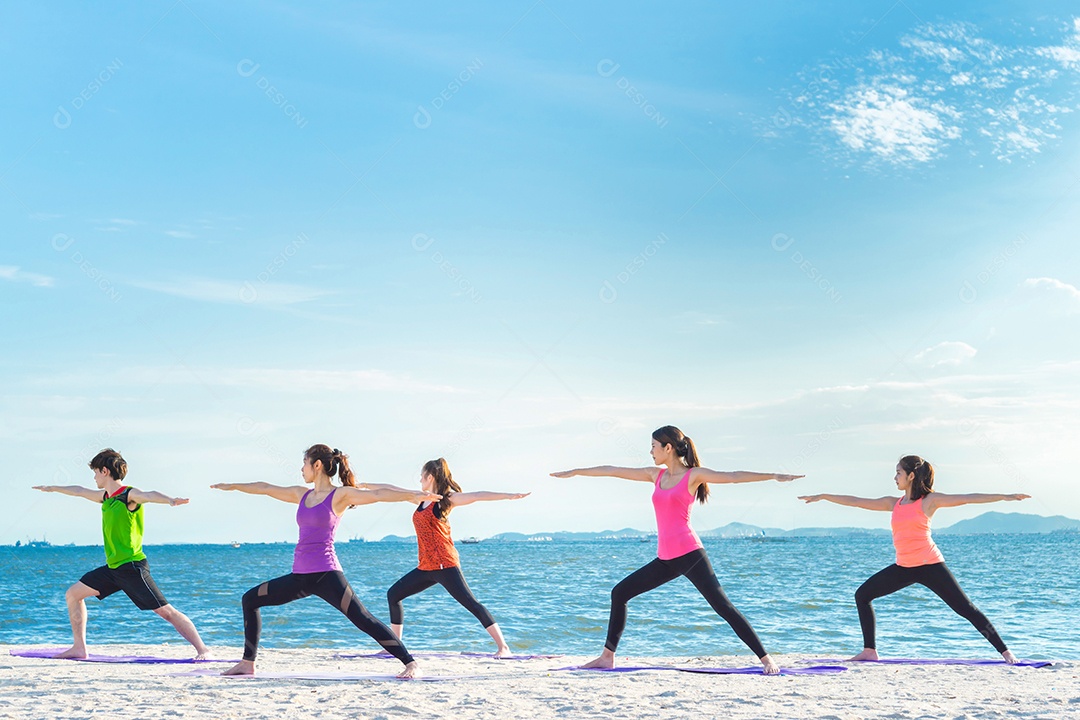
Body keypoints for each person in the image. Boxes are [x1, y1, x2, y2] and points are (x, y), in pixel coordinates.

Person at [550, 425, 801, 674]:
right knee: (620, 593)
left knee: (723, 607)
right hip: (665, 559)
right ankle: (607, 657)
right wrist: (576, 472)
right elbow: (613, 471)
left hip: (691, 555)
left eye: (653, 446)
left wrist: (774, 476)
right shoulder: (655, 475)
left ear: (668, 448)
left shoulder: (693, 476)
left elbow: (733, 476)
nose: (650, 452)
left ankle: (767, 659)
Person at [211, 444, 440, 678]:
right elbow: (266, 488)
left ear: (317, 465)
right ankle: (247, 663)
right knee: (250, 599)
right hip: (299, 577)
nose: (302, 469)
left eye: (304, 463)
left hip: (327, 575)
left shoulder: (339, 495)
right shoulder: (302, 495)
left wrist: (412, 495)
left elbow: (377, 495)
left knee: (363, 618)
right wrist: (234, 486)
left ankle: (410, 663)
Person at [798, 454, 1029, 663]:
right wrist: (824, 496)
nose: (894, 477)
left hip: (931, 565)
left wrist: (1005, 497)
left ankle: (1007, 653)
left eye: (898, 472)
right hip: (904, 567)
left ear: (910, 475)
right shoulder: (894, 503)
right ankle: (870, 650)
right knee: (863, 595)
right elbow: (856, 501)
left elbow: (967, 498)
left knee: (966, 609)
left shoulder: (929, 501)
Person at [33, 448, 210, 660]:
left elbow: (149, 495)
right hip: (113, 568)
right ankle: (79, 649)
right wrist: (51, 488)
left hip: (132, 567)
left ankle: (203, 649)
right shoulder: (105, 497)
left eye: (96, 472)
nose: (94, 477)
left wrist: (170, 500)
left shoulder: (128, 495)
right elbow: (79, 490)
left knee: (166, 612)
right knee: (73, 594)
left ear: (105, 471)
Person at [383, 458, 529, 657]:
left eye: (421, 477)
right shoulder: (421, 499)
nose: (419, 481)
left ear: (430, 477)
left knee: (471, 603)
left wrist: (508, 496)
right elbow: (395, 491)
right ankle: (395, 647)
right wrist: (364, 487)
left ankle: (503, 648)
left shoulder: (446, 499)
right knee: (394, 595)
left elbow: (476, 496)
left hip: (445, 564)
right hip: (426, 566)